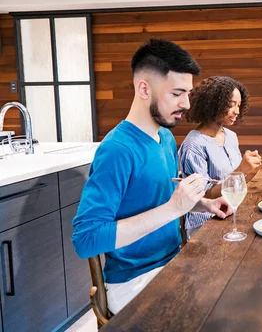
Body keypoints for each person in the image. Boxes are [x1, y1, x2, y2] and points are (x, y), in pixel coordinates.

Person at [72, 39, 233, 314]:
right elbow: (86, 239)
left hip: (172, 262)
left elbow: (161, 199)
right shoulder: (117, 150)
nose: (186, 103)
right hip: (133, 280)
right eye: (177, 93)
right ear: (144, 89)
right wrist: (174, 209)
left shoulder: (165, 138)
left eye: (188, 93)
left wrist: (201, 204)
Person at [178, 76, 261, 234]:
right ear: (213, 104)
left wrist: (250, 170)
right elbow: (203, 197)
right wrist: (241, 170)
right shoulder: (194, 145)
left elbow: (236, 183)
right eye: (231, 105)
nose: (237, 111)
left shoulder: (231, 136)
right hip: (205, 224)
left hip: (231, 213)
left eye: (239, 105)